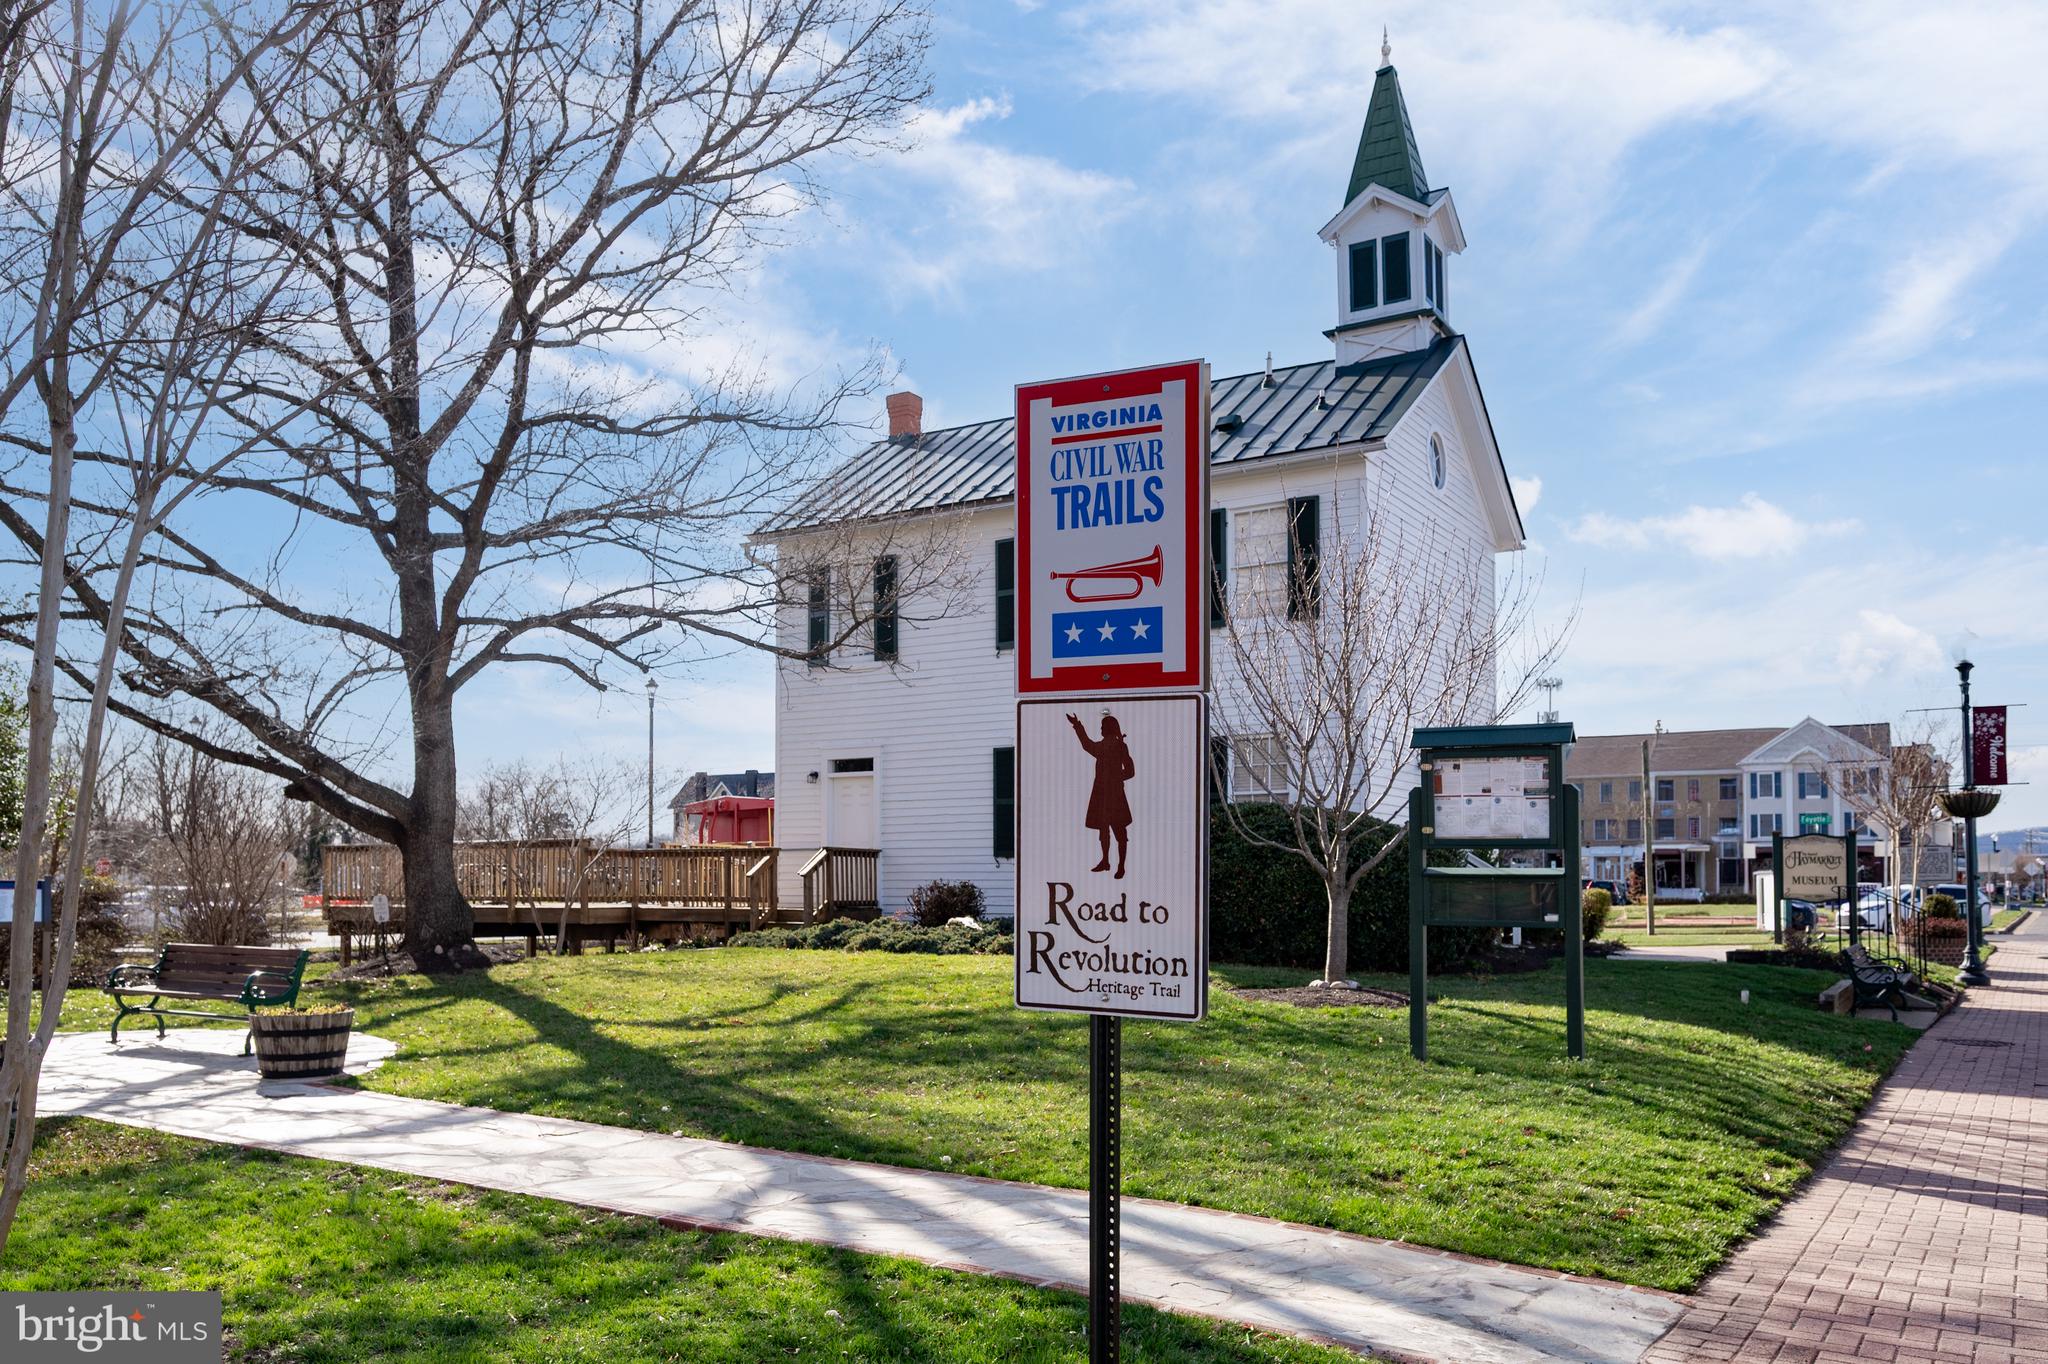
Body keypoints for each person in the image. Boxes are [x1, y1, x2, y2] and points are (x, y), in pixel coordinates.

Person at [1067, 711, 1134, 878]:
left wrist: (1115, 778)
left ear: (1109, 729)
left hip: (1115, 796)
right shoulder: (1104, 747)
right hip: (1103, 795)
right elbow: (1086, 744)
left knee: (1119, 832)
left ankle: (1121, 866)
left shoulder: (1118, 746)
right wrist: (1077, 725)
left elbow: (1130, 771)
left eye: (1103, 727)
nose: (1101, 729)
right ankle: (1106, 861)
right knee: (1104, 831)